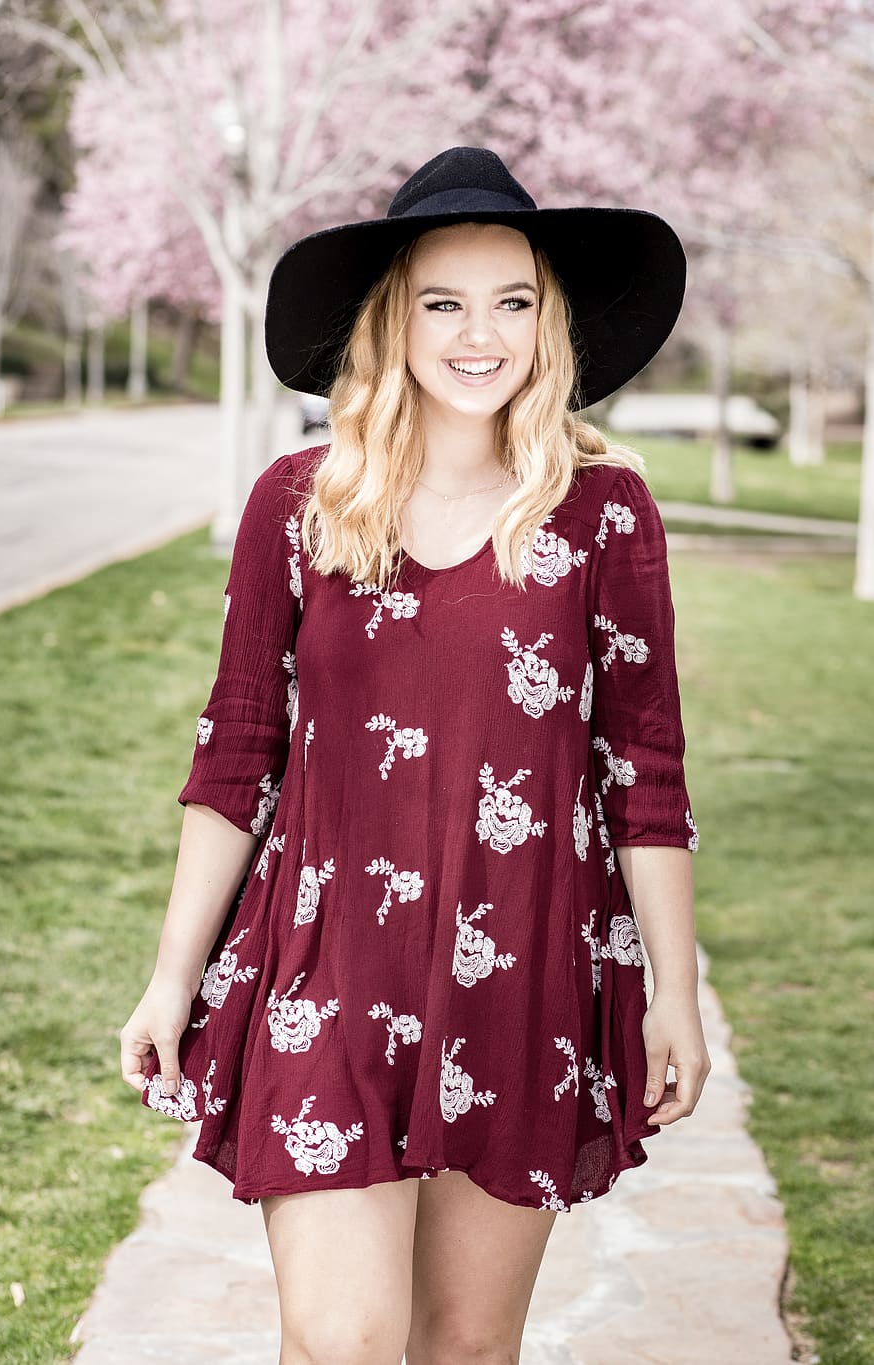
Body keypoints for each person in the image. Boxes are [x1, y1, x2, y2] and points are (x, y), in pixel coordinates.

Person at [120, 146, 712, 1365]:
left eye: (512, 301)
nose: (477, 334)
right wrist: (171, 979)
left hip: (528, 973)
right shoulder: (300, 503)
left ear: (549, 324)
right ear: (395, 320)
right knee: (341, 1342)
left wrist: (672, 990)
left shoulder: (604, 514)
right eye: (442, 301)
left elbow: (644, 772)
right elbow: (237, 752)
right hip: (325, 967)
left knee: (462, 1350)